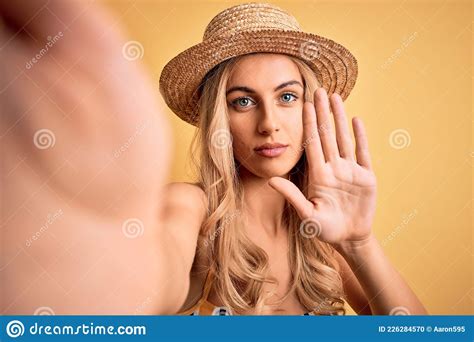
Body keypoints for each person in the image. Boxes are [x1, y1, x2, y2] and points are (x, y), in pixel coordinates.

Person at [158, 3, 427, 315]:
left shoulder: (325, 234)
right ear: (219, 118)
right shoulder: (189, 206)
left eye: (286, 97)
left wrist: (359, 243)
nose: (269, 123)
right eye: (242, 101)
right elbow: (147, 294)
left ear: (309, 107)